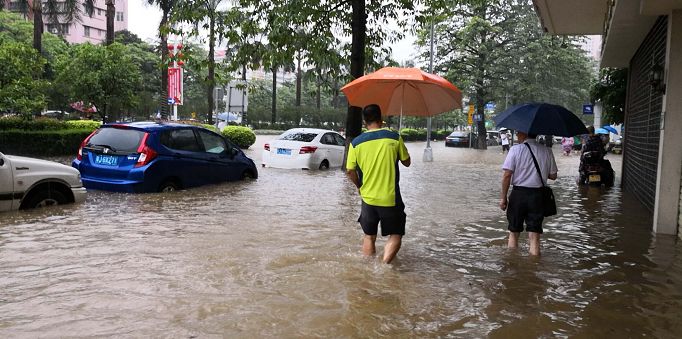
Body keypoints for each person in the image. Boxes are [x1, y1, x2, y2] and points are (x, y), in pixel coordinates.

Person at [346, 104, 411, 264]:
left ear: (364, 121)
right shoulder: (394, 137)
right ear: (381, 119)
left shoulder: (356, 142)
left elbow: (350, 170)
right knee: (395, 234)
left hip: (368, 198)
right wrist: (399, 145)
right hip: (390, 198)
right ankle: (383, 266)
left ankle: (368, 270)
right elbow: (407, 162)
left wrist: (359, 187)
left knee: (369, 236)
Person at [499, 130, 557, 256]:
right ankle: (534, 267)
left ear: (524, 134)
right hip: (538, 196)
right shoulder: (547, 150)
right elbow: (553, 176)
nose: (517, 135)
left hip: (518, 195)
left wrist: (503, 198)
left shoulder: (515, 149)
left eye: (519, 132)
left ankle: (512, 264)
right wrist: (539, 171)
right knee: (535, 235)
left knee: (513, 232)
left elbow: (507, 175)